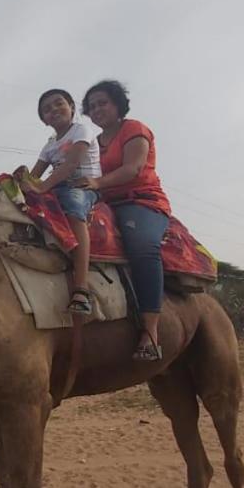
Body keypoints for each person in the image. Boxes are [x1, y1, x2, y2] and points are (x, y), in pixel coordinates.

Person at [77, 80, 172, 360]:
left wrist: (96, 182)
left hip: (140, 201)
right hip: (103, 203)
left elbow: (134, 168)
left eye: (103, 103)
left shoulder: (134, 129)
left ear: (118, 104)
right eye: (92, 106)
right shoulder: (93, 143)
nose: (97, 109)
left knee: (142, 246)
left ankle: (150, 332)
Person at [28, 87, 101, 315]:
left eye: (59, 103)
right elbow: (34, 175)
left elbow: (71, 164)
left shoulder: (81, 130)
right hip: (56, 187)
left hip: (82, 186)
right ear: (44, 120)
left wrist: (41, 187)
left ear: (71, 106)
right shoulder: (49, 145)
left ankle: (81, 288)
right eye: (47, 109)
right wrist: (18, 182)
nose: (54, 110)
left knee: (73, 209)